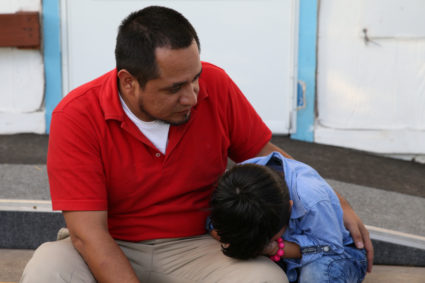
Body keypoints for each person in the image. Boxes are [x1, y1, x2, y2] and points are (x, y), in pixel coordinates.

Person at [20, 5, 372, 283]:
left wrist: (335, 201)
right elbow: (88, 236)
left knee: (263, 279)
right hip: (110, 242)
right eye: (175, 88)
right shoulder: (76, 115)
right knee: (46, 272)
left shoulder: (215, 85)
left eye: (195, 78)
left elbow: (270, 159)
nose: (192, 96)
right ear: (128, 83)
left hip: (199, 245)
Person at [208, 152, 368, 283]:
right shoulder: (231, 190)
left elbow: (328, 248)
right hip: (286, 260)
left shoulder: (311, 199)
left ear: (291, 208)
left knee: (316, 275)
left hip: (338, 253)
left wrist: (274, 248)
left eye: (269, 237)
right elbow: (212, 225)